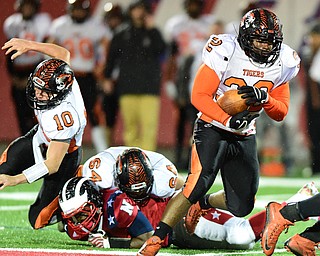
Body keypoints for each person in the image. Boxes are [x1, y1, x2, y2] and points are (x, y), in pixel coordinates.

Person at [137, 8, 300, 256]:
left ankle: (203, 204)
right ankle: (157, 238)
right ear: (245, 37)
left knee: (243, 204)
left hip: (245, 133)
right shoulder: (226, 49)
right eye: (259, 40)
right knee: (197, 183)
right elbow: (199, 95)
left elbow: (281, 112)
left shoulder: (284, 61)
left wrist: (265, 98)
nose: (266, 47)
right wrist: (226, 118)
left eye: (270, 42)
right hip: (212, 125)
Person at [0, 38, 87, 229]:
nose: (38, 94)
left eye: (44, 92)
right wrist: (30, 45)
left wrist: (15, 180)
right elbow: (64, 54)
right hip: (41, 137)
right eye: (37, 87)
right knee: (1, 171)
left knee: (38, 219)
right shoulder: (60, 80)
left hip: (64, 156)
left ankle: (79, 184)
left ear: (60, 93)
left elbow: (52, 164)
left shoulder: (65, 117)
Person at [47, 0, 112, 152]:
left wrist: (100, 68)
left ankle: (103, 151)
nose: (78, 13)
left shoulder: (96, 26)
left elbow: (105, 48)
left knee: (95, 114)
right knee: (62, 114)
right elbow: (50, 48)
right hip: (64, 77)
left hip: (87, 76)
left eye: (80, 10)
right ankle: (57, 151)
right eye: (75, 9)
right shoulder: (59, 26)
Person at [103, 0, 166, 151]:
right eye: (135, 9)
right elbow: (111, 58)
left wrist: (152, 30)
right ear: (130, 12)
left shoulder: (153, 32)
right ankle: (133, 162)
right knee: (130, 127)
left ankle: (148, 159)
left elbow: (162, 51)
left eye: (141, 9)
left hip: (149, 88)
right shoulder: (121, 34)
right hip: (127, 87)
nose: (138, 13)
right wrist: (107, 78)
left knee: (149, 127)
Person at [164, 0, 216, 169]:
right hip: (183, 78)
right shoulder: (175, 24)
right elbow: (171, 57)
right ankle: (179, 156)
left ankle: (193, 157)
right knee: (181, 121)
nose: (193, 7)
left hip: (203, 79)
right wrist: (170, 80)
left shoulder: (209, 23)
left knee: (199, 122)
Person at [3, 0, 52, 135]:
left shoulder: (42, 21)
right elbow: (9, 52)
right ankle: (27, 146)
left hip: (36, 69)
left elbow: (46, 51)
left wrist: (35, 77)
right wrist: (13, 76)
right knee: (21, 113)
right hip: (19, 71)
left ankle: (41, 145)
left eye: (30, 6)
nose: (28, 9)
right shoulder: (12, 23)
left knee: (38, 113)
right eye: (25, 6)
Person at [77, 147, 184, 197]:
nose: (136, 197)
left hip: (155, 164)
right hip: (110, 163)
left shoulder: (162, 176)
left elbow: (182, 185)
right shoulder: (103, 175)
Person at [100, 3, 124, 146]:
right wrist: (104, 78)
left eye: (116, 18)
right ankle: (108, 148)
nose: (113, 21)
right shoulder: (101, 34)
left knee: (129, 118)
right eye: (111, 18)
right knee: (107, 118)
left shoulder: (125, 34)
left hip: (123, 81)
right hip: (107, 80)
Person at [299, 22, 320, 176]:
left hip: (316, 100)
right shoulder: (310, 53)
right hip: (312, 101)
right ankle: (315, 166)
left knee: (316, 133)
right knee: (313, 133)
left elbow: (314, 79)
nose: (312, 39)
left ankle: (317, 166)